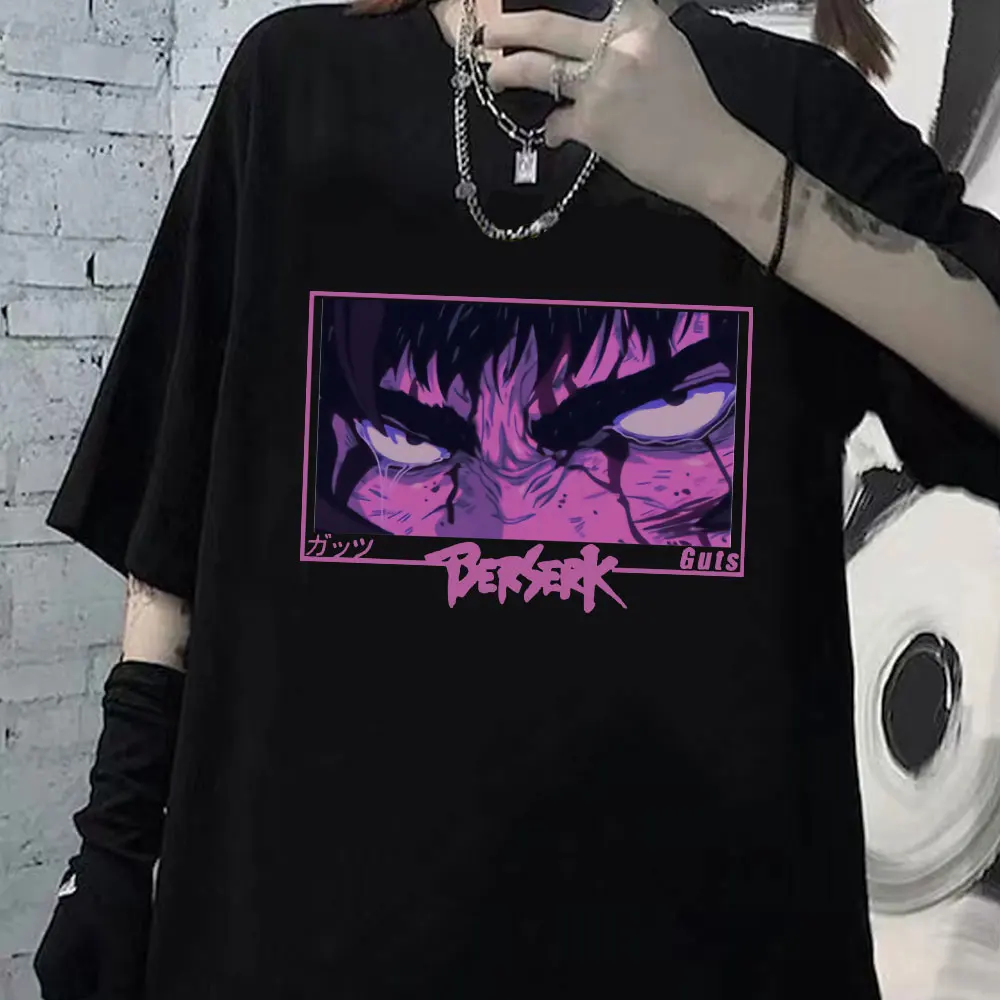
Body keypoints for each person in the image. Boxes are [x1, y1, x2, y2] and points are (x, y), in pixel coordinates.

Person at [33, 0, 1000, 997]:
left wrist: (731, 173)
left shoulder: (785, 109)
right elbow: (176, 519)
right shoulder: (291, 89)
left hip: (703, 948)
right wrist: (112, 850)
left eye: (658, 419)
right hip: (298, 942)